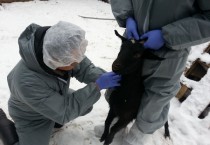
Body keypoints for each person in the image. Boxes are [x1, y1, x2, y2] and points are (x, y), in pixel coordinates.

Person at [0, 21, 121, 145]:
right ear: (56, 61)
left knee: (86, 106)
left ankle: (54, 119)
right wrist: (97, 86)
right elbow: (65, 112)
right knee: (74, 107)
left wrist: (108, 78)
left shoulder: (61, 49)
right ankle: (2, 122)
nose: (77, 62)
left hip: (52, 96)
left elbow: (84, 69)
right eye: (73, 62)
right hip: (31, 116)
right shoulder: (26, 82)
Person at [109, 0, 210, 145]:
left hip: (169, 53)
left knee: (156, 98)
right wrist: (127, 17)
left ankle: (137, 137)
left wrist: (169, 35)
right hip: (132, 45)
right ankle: (115, 126)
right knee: (121, 84)